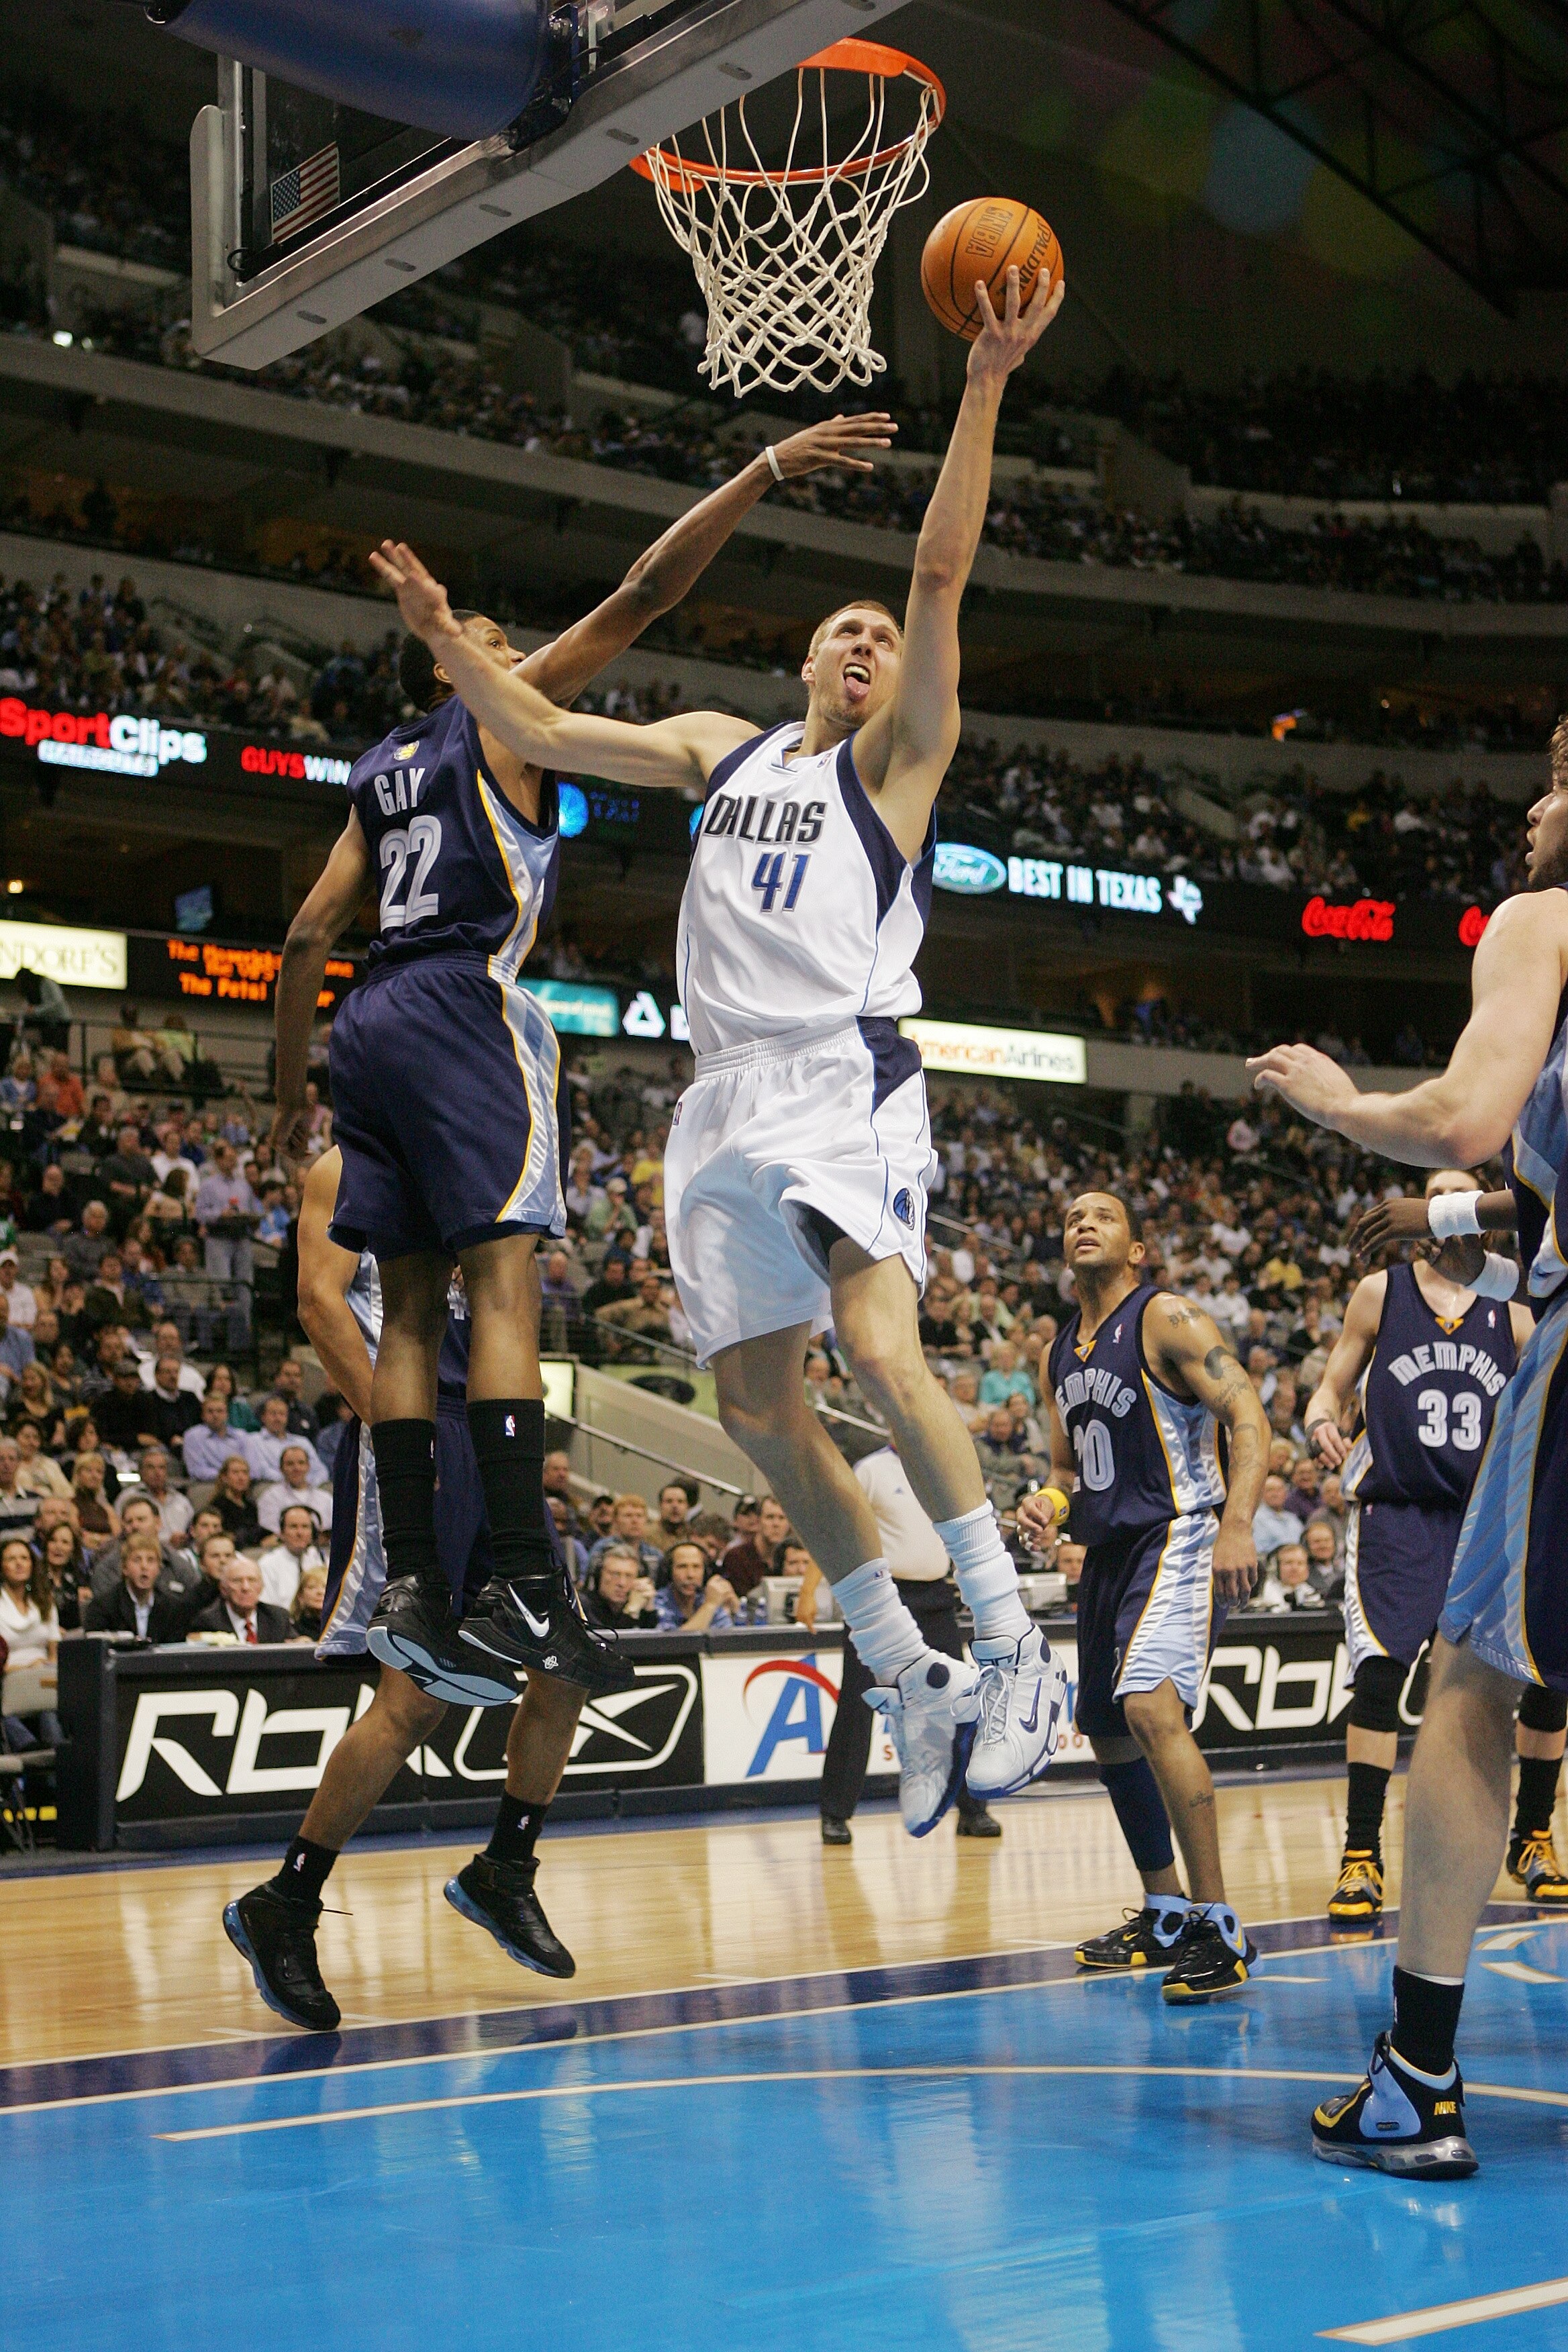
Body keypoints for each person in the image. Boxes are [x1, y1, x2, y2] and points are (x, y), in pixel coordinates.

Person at [373, 263, 1070, 1834]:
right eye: (840, 628)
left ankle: (1014, 1642)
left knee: (882, 1351)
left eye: (880, 635)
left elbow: (944, 573)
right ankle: (904, 1671)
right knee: (758, 1409)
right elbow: (544, 733)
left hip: (839, 1071)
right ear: (799, 664)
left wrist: (977, 387)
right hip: (717, 1102)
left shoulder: (899, 768)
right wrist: (446, 642)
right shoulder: (721, 750)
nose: (865, 641)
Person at [271, 425, 889, 1714]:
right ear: (470, 662)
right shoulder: (497, 725)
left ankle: (413, 1586)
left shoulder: (377, 772)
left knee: (411, 1301)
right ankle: (517, 1575)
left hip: (365, 1024)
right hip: (458, 1003)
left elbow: (304, 933)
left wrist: (287, 1092)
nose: (514, 657)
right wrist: (763, 470)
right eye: (497, 646)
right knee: (504, 1286)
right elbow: (644, 593)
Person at [1247, 720, 1568, 2174]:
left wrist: (1340, 1105)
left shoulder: (1541, 919)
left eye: (1557, 773)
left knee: (1473, 1685)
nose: (1532, 809)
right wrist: (1457, 1219)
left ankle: (1415, 2080)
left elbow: (1464, 1114)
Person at [224, 1146, 591, 2032]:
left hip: (493, 1440)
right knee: (413, 1704)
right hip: (416, 1430)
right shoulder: (343, 1166)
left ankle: (505, 1868)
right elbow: (319, 1303)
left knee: (563, 1660)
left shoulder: (486, 1159)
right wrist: (401, 1432)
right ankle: (289, 1902)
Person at [1017, 1191, 1269, 2004]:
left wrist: (1238, 1523)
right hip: (1109, 1550)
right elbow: (1066, 1471)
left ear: (1134, 1248)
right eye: (1071, 1217)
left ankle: (1217, 1924)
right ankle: (1162, 1910)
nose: (1081, 1222)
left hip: (1183, 1530)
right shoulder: (1059, 1350)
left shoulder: (1166, 1318)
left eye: (1102, 1216)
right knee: (1105, 1727)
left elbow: (1248, 1414)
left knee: (1150, 1708)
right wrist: (1048, 1507)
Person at [1303, 1171, 1533, 1928]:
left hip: (1486, 1515)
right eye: (1432, 1191)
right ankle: (1360, 1854)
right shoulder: (1379, 1290)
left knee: (1532, 1679)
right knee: (1376, 1678)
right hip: (1397, 1511)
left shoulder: (1515, 1311)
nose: (1442, 1206)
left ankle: (1532, 1837)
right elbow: (1329, 1386)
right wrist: (1319, 1420)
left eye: (1457, 1192)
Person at [803, 1445, 999, 1846]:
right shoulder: (871, 1469)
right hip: (879, 1600)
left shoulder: (946, 1465)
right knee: (858, 1705)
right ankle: (835, 1814)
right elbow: (834, 1529)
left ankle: (973, 1811)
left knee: (959, 1701)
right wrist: (809, 1590)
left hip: (936, 1600)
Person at [84, 1531, 210, 1641]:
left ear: (159, 1569)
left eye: (150, 1560)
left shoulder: (173, 1608)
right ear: (124, 1568)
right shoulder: (103, 1606)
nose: (144, 1567)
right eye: (137, 1560)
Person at [188, 1553, 291, 1644]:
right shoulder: (207, 1622)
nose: (245, 1588)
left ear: (261, 1587)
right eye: (237, 1581)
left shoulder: (277, 1618)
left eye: (252, 1580)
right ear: (223, 1589)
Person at [653, 1539, 737, 1631]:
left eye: (696, 1567)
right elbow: (675, 1643)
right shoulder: (658, 1602)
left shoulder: (704, 1598)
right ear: (669, 1571)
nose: (690, 1575)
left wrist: (736, 1610)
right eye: (682, 1567)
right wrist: (710, 1605)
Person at [256, 1504, 326, 1612]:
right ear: (282, 1533)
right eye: (293, 1527)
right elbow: (267, 1608)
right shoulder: (267, 1564)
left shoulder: (323, 1560)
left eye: (305, 1527)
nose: (300, 1533)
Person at [256, 1442, 334, 1536]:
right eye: (290, 1464)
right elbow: (272, 1534)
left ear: (308, 1467)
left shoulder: (326, 1498)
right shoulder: (270, 1498)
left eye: (301, 1463)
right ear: (281, 1468)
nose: (296, 1468)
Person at [581, 1545, 658, 1633]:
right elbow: (610, 1642)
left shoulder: (637, 1604)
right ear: (599, 1575)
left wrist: (649, 1608)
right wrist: (631, 1612)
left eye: (629, 1576)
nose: (622, 1583)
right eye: (615, 1574)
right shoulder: (583, 1607)